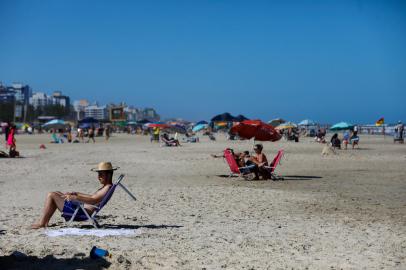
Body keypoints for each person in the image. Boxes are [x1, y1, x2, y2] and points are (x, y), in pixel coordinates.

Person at [30, 162, 118, 229]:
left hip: (81, 212)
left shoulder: (107, 188)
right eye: (98, 174)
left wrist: (76, 198)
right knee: (57, 193)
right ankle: (45, 221)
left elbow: (93, 200)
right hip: (81, 209)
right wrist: (76, 194)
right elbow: (91, 197)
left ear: (109, 174)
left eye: (101, 174)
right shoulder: (106, 187)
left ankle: (42, 223)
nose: (98, 177)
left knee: (52, 195)